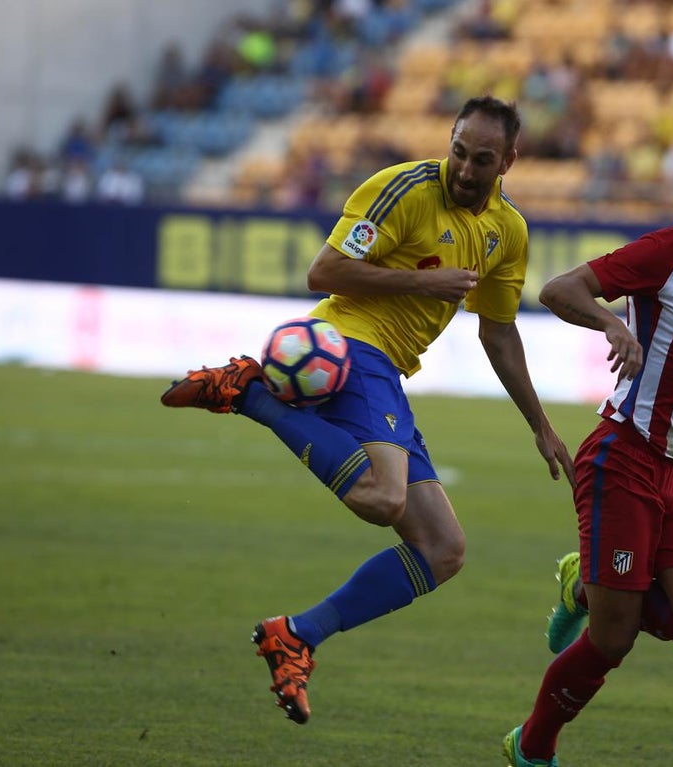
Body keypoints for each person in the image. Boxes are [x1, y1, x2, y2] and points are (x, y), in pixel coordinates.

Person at [160, 95, 575, 725]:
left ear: (508, 162)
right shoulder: (403, 189)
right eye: (459, 152)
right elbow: (324, 270)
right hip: (351, 345)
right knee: (383, 497)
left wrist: (540, 426)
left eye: (482, 160)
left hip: (388, 373)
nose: (465, 169)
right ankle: (250, 392)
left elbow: (498, 332)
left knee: (443, 548)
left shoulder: (507, 231)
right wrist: (423, 281)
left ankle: (296, 635)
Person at [502, 141, 673, 767]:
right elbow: (558, 289)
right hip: (625, 457)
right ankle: (532, 748)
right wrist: (613, 324)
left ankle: (588, 584)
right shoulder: (661, 253)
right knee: (613, 638)